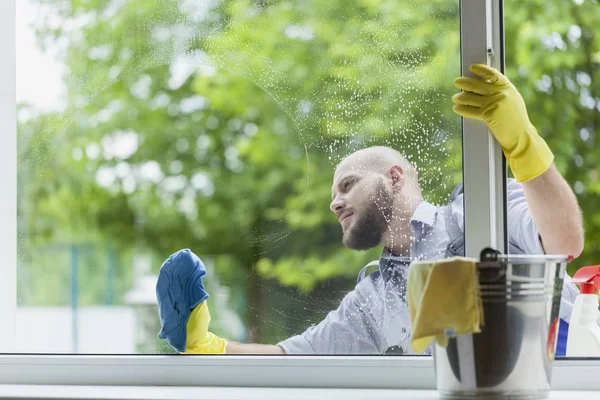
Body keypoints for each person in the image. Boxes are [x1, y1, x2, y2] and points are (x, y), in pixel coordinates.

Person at [155, 64, 584, 355]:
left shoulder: (479, 208)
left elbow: (565, 242)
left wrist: (523, 143)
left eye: (348, 184)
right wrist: (209, 345)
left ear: (394, 177)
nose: (334, 202)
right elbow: (295, 357)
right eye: (333, 193)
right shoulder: (372, 299)